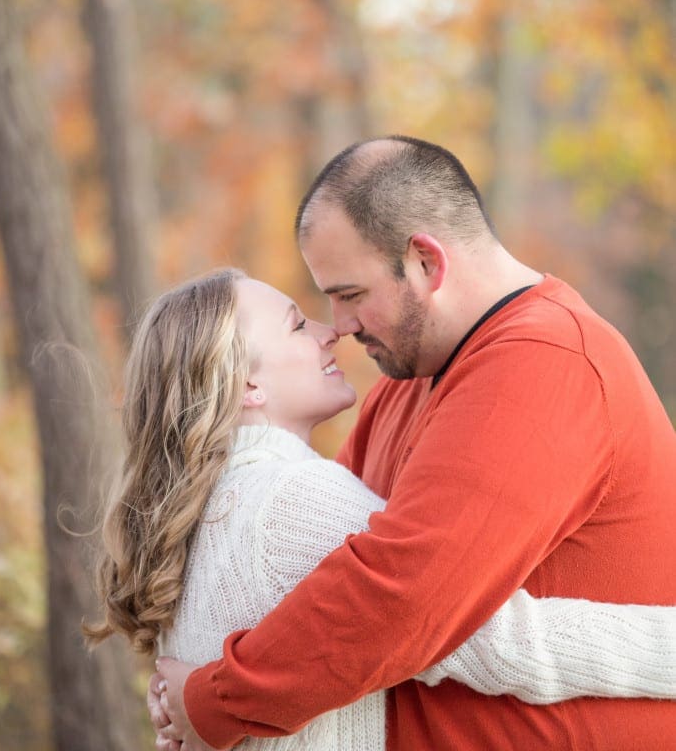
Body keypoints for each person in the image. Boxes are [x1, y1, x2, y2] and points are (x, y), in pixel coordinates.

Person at [151, 136, 676, 751]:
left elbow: (402, 596)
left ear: (426, 261)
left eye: (349, 294)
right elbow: (321, 576)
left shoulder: (542, 362)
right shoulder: (405, 385)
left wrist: (216, 702)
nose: (339, 325)